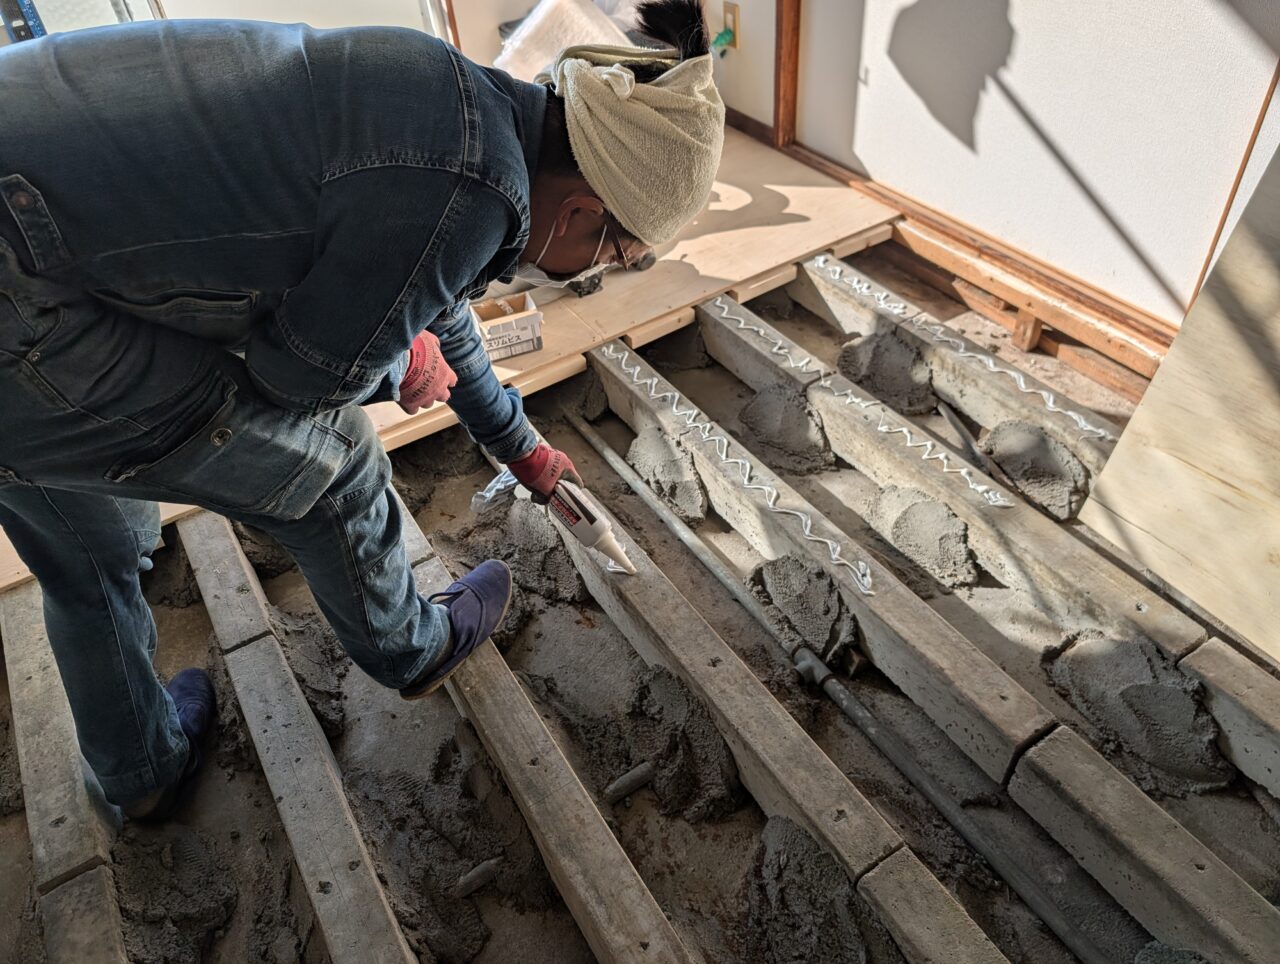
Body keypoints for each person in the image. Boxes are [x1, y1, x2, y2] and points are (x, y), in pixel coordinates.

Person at [0, 0, 724, 820]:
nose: (596, 272)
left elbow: (437, 301)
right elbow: (295, 383)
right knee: (334, 463)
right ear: (583, 209)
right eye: (616, 254)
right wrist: (393, 368)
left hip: (37, 244)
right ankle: (416, 650)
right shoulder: (469, 191)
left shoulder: (465, 109)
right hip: (22, 305)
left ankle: (140, 770)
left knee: (87, 535)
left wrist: (521, 447)